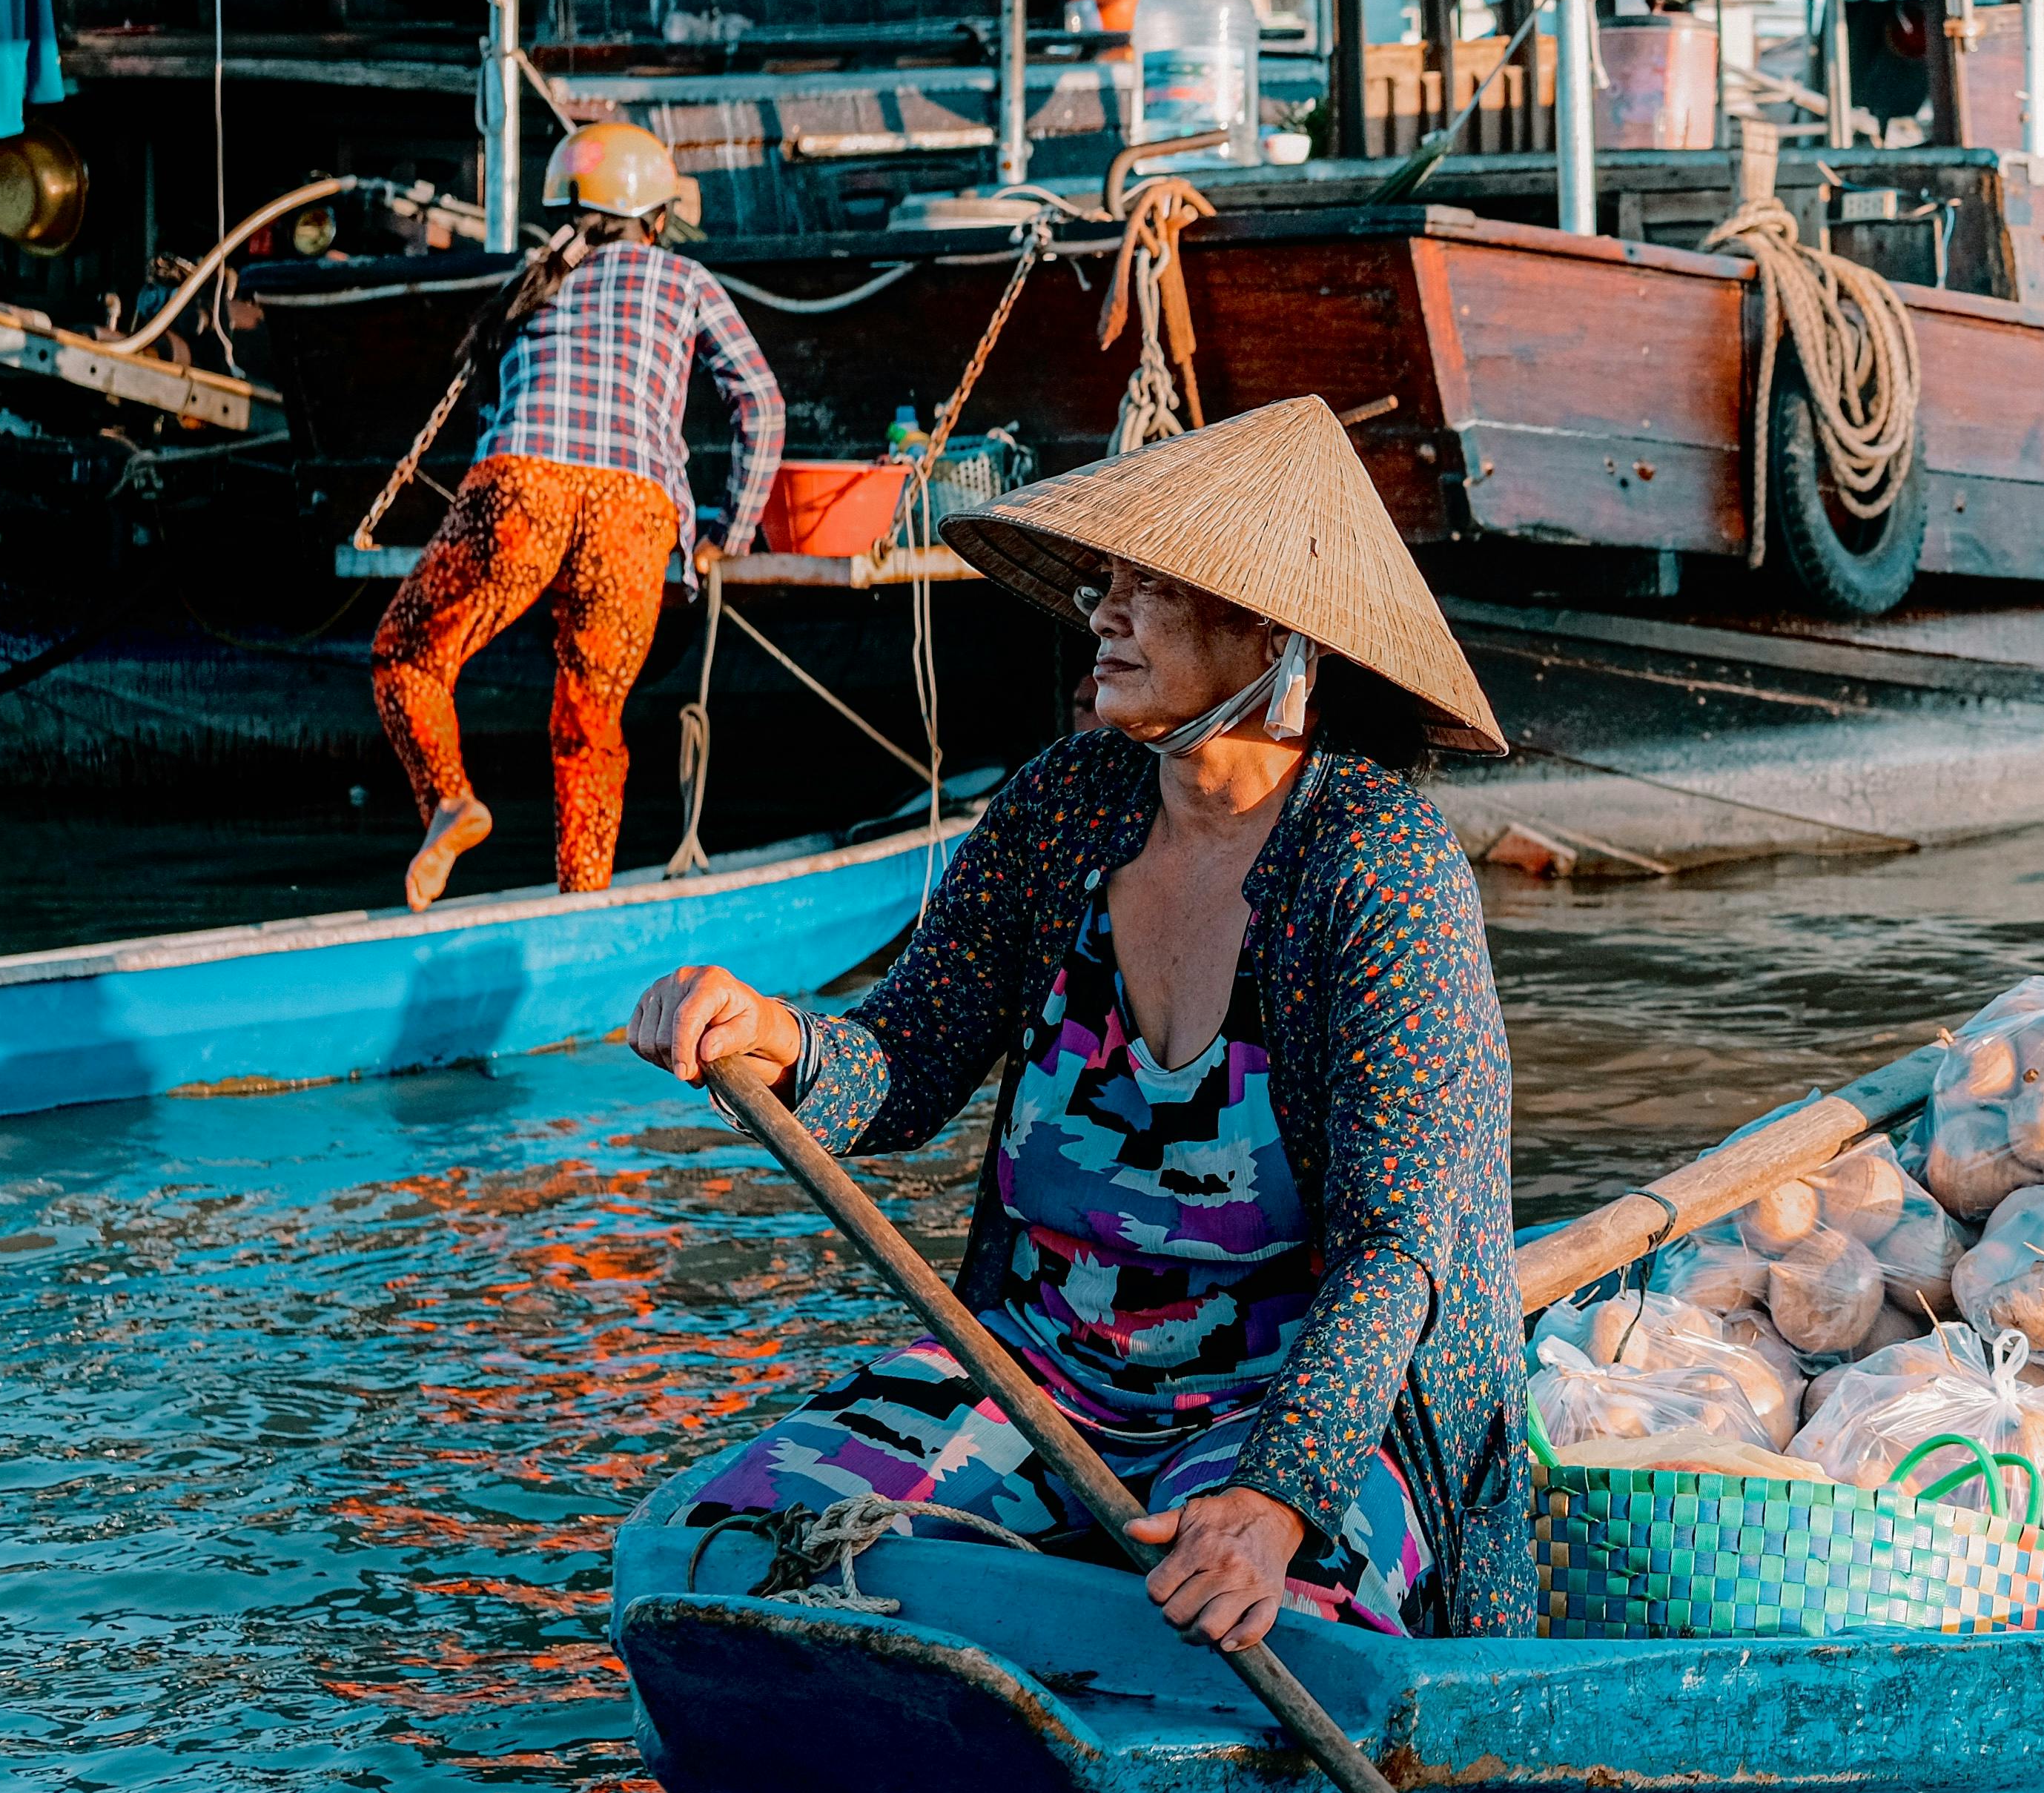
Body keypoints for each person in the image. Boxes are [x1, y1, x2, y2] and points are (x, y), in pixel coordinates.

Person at [624, 397, 1535, 1647]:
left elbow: (1401, 1249)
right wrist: (778, 1037)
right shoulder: (1065, 806)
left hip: (1284, 1410)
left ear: (1274, 630)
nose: (1101, 613)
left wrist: (1277, 1497)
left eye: (1147, 587)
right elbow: (907, 1060)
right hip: (1035, 1382)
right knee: (730, 1562)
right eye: (1104, 581)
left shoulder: (1381, 873)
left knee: (1281, 1638)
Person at [370, 122, 781, 907]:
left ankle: (452, 800)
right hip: (636, 510)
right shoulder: (684, 277)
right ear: (656, 219)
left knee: (409, 656)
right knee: (589, 726)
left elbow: (496, 404)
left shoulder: (535, 279)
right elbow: (760, 403)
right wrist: (727, 530)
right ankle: (581, 906)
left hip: (521, 486)